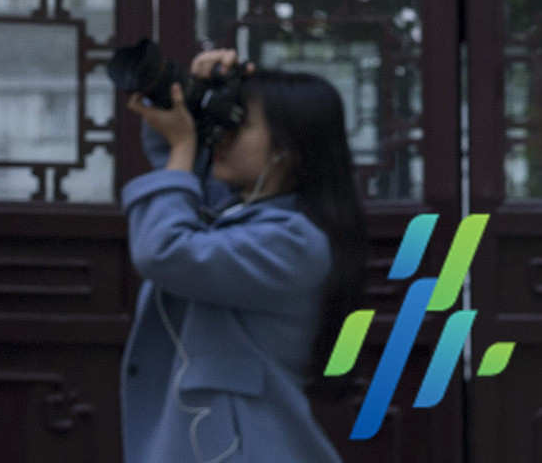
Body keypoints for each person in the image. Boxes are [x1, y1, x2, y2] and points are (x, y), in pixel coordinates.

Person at [121, 48, 367, 463]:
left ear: (286, 150)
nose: (224, 135)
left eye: (241, 124)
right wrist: (192, 100)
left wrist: (184, 146)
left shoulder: (295, 244)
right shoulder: (244, 215)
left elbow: (165, 250)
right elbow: (183, 193)